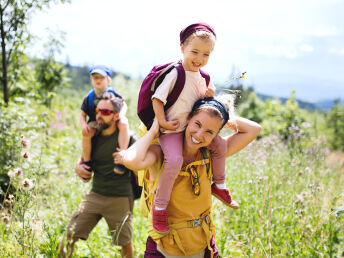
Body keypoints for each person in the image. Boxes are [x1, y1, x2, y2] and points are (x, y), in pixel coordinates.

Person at [114, 96, 261, 257]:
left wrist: (219, 115)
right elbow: (132, 161)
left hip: (203, 245)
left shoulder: (211, 154)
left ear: (215, 135)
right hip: (163, 247)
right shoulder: (161, 152)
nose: (199, 135)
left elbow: (254, 129)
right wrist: (155, 129)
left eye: (209, 132)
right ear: (188, 119)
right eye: (197, 124)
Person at [149, 22, 238, 234]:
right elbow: (157, 99)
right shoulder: (175, 73)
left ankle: (219, 185)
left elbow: (201, 105)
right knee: (175, 160)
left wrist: (208, 95)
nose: (200, 58)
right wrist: (162, 122)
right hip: (172, 130)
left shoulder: (203, 77)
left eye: (206, 54)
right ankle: (159, 207)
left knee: (220, 146)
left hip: (191, 128)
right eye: (194, 52)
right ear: (182, 48)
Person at [60, 93, 134, 258]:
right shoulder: (93, 136)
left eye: (106, 112)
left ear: (116, 116)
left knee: (125, 243)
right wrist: (77, 167)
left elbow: (139, 162)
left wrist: (127, 158)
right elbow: (83, 159)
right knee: (69, 235)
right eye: (98, 110)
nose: (99, 115)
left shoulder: (128, 137)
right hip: (96, 194)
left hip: (120, 197)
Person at [80, 65, 130, 175]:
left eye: (101, 77)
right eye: (95, 77)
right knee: (86, 133)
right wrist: (84, 124)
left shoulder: (113, 94)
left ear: (108, 80)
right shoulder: (89, 97)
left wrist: (121, 115)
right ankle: (87, 162)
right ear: (91, 80)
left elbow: (123, 104)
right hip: (96, 123)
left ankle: (121, 157)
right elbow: (82, 114)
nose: (98, 80)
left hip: (112, 121)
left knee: (123, 123)